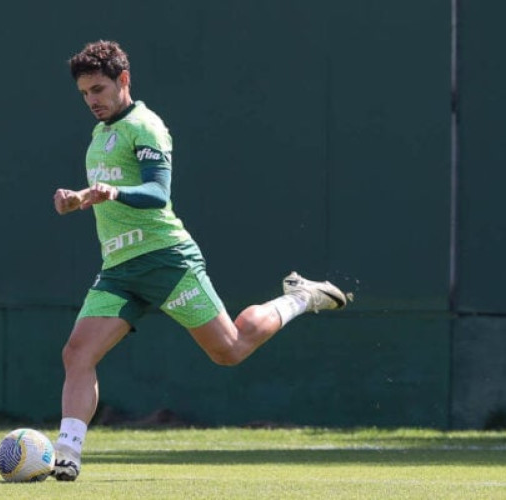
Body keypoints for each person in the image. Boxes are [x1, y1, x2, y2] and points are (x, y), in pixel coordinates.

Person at [51, 40, 351, 481]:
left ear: (124, 81)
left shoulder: (146, 127)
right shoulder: (99, 135)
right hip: (120, 268)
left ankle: (300, 298)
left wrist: (113, 193)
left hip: (167, 259)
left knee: (229, 351)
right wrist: (79, 199)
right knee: (77, 353)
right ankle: (67, 456)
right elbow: (106, 190)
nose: (92, 101)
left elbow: (157, 194)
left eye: (98, 89)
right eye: (84, 94)